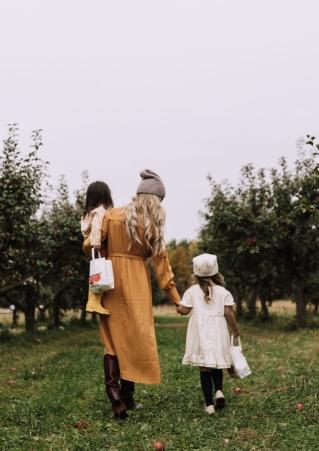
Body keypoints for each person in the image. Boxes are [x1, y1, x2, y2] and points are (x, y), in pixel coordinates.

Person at [83, 169, 181, 419]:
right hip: (137, 282)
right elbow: (162, 266)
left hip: (109, 281)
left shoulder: (112, 216)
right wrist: (176, 298)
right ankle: (128, 396)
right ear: (156, 201)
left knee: (112, 339)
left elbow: (91, 246)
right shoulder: (152, 227)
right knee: (136, 337)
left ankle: (115, 394)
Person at [177, 253, 240, 415]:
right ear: (216, 272)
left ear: (195, 273)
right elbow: (228, 313)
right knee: (217, 361)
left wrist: (178, 306)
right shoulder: (223, 291)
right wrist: (235, 331)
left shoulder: (191, 291)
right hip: (218, 330)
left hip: (199, 331)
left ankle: (209, 405)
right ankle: (219, 390)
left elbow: (184, 310)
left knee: (204, 367)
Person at [81, 181, 114, 315]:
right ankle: (94, 303)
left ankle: (94, 302)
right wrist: (97, 244)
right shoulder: (100, 212)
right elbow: (96, 230)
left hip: (92, 249)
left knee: (95, 276)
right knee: (101, 275)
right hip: (99, 248)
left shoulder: (87, 214)